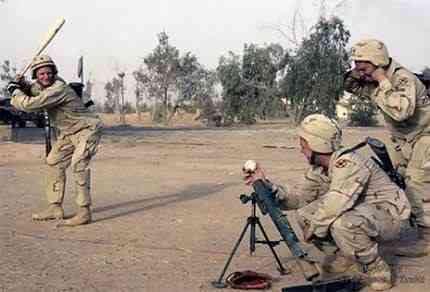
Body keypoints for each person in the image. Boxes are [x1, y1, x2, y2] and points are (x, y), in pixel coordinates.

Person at [243, 114, 410, 291]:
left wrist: (310, 234)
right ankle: (346, 257)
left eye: (303, 145)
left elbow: (334, 206)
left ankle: (377, 269)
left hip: (391, 216)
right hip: (364, 212)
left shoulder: (349, 163)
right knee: (305, 214)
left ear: (317, 144)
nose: (301, 150)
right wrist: (267, 186)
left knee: (341, 223)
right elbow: (298, 198)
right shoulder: (321, 168)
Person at [344, 39, 430, 254]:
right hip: (404, 141)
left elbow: (400, 111)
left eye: (364, 68)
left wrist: (382, 80)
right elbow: (351, 86)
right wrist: (357, 73)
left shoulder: (402, 78)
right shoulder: (373, 80)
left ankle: (427, 239)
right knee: (397, 181)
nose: (361, 73)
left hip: (425, 137)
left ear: (378, 63)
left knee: (417, 184)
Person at [7, 55, 102, 226]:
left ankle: (84, 211)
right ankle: (55, 207)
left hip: (87, 129)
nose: (46, 76)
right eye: (41, 74)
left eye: (49, 73)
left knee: (79, 164)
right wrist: (22, 84)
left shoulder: (58, 89)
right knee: (53, 162)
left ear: (54, 73)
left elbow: (30, 104)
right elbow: (35, 90)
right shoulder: (43, 86)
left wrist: (15, 90)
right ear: (36, 75)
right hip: (68, 132)